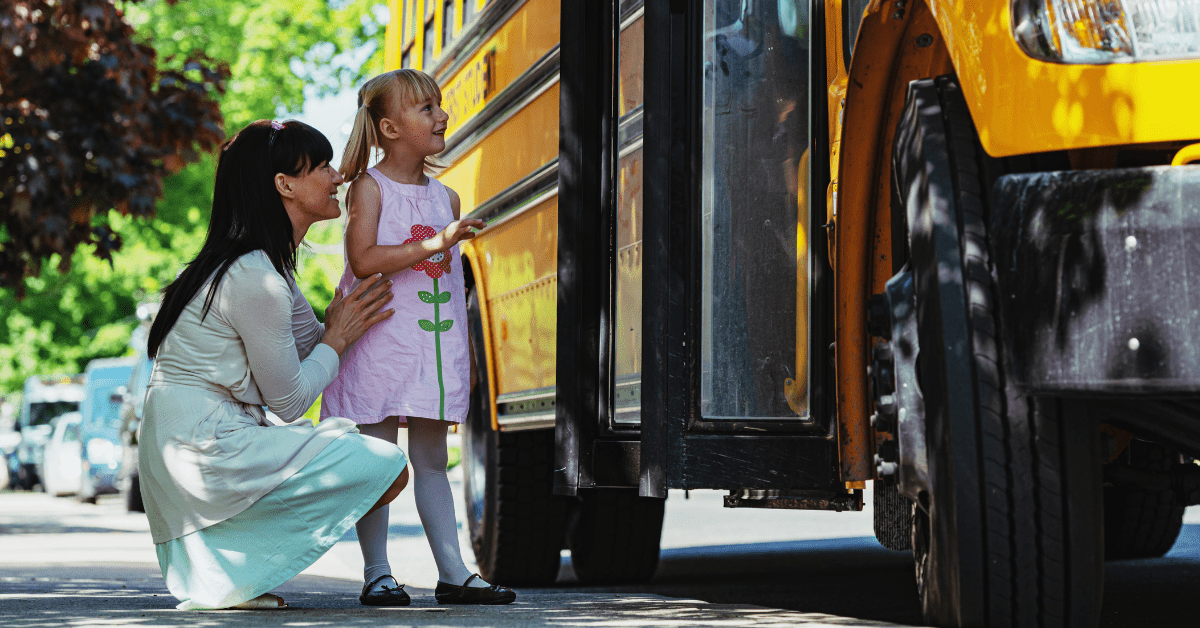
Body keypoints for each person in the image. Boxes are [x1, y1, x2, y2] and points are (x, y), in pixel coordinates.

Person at [140, 119, 408, 610]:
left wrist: (338, 332)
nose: (338, 178)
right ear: (284, 185)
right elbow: (290, 401)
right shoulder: (254, 276)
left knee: (368, 458)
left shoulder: (265, 267)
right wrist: (338, 337)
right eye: (323, 167)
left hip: (188, 453)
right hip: (206, 450)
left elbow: (314, 345)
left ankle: (233, 577)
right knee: (387, 465)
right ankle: (235, 570)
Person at [320, 69, 514, 606]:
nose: (442, 115)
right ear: (389, 128)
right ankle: (377, 573)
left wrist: (465, 356)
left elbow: (452, 289)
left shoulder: (445, 198)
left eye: (439, 105)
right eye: (425, 108)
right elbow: (362, 260)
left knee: (432, 462)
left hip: (431, 346)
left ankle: (453, 573)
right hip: (379, 345)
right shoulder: (369, 187)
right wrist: (436, 243)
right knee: (379, 462)